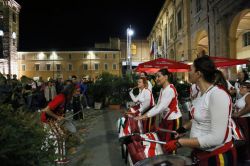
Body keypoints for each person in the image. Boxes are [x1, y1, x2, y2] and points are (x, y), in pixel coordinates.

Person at [164, 56, 237, 166]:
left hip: (217, 158)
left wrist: (181, 142)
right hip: (202, 154)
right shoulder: (201, 95)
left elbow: (217, 138)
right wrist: (183, 128)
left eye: (191, 70)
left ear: (199, 74)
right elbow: (200, 118)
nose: (188, 72)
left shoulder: (217, 95)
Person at [135, 68, 182, 143]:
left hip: (173, 120)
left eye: (158, 76)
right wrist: (145, 115)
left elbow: (160, 108)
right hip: (165, 119)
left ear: (166, 77)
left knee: (170, 144)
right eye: (156, 77)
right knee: (162, 140)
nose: (156, 79)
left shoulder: (169, 89)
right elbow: (157, 106)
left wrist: (144, 116)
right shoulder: (162, 89)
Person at [41, 84, 75, 164]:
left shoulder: (65, 98)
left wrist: (61, 117)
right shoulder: (61, 97)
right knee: (60, 136)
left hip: (51, 119)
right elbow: (46, 110)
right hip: (48, 119)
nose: (77, 93)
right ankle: (59, 159)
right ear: (70, 91)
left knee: (50, 136)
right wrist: (57, 117)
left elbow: (60, 110)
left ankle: (42, 153)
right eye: (75, 91)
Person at [232, 81, 250, 162]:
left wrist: (238, 114)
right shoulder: (242, 97)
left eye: (243, 87)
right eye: (240, 87)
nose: (240, 88)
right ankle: (244, 156)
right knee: (242, 138)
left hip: (245, 120)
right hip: (240, 120)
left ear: (248, 89)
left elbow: (249, 106)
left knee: (245, 138)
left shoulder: (248, 95)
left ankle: (246, 157)